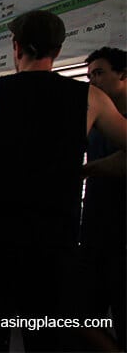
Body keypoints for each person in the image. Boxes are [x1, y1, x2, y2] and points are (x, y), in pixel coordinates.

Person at [0, 10, 127, 351]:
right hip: (55, 241)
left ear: (16, 48)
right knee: (49, 338)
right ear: (57, 51)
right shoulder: (90, 98)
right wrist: (89, 170)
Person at [76, 47, 126, 351]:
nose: (93, 81)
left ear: (122, 74)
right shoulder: (95, 120)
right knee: (79, 316)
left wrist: (85, 170)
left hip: (122, 237)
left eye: (99, 73)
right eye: (89, 75)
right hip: (95, 233)